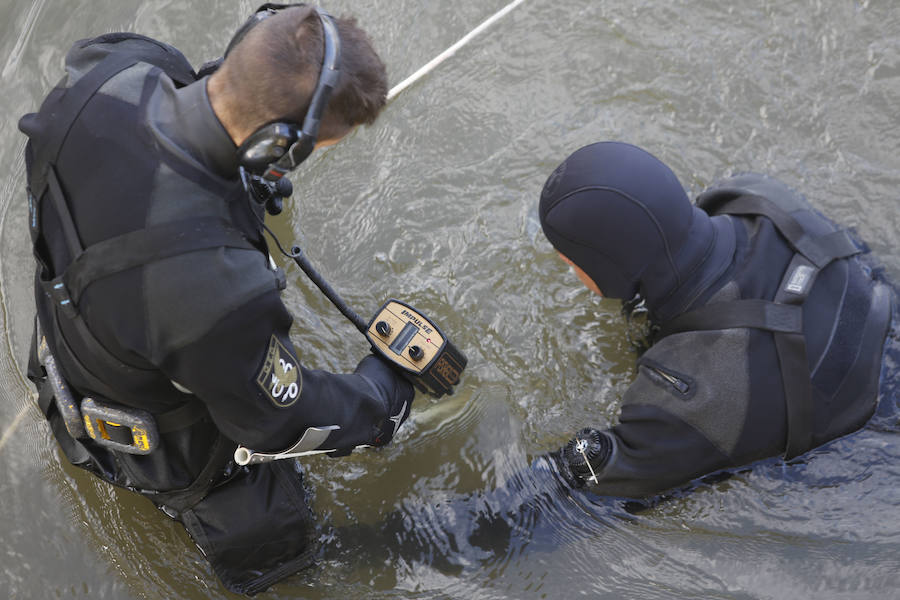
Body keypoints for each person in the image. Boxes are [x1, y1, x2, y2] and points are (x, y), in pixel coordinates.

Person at [19, 4, 414, 595]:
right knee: (282, 551)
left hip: (67, 347)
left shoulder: (112, 68)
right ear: (275, 145)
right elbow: (279, 420)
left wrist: (234, 177)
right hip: (157, 451)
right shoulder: (218, 294)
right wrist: (381, 400)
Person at [538, 141, 896, 499]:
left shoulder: (688, 397)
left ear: (607, 269)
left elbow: (579, 484)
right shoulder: (753, 193)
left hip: (876, 444)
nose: (565, 264)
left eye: (569, 259)